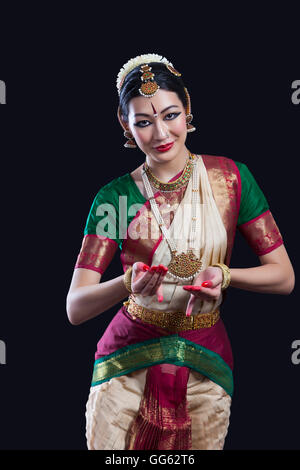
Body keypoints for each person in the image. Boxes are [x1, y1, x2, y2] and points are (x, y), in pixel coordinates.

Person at [66, 53, 295, 450]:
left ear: (187, 109)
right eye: (143, 122)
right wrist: (126, 284)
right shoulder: (115, 197)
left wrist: (225, 276)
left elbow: (284, 278)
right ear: (126, 125)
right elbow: (76, 307)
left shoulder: (231, 180)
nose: (160, 133)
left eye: (170, 115)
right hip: (126, 360)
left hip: (205, 358)